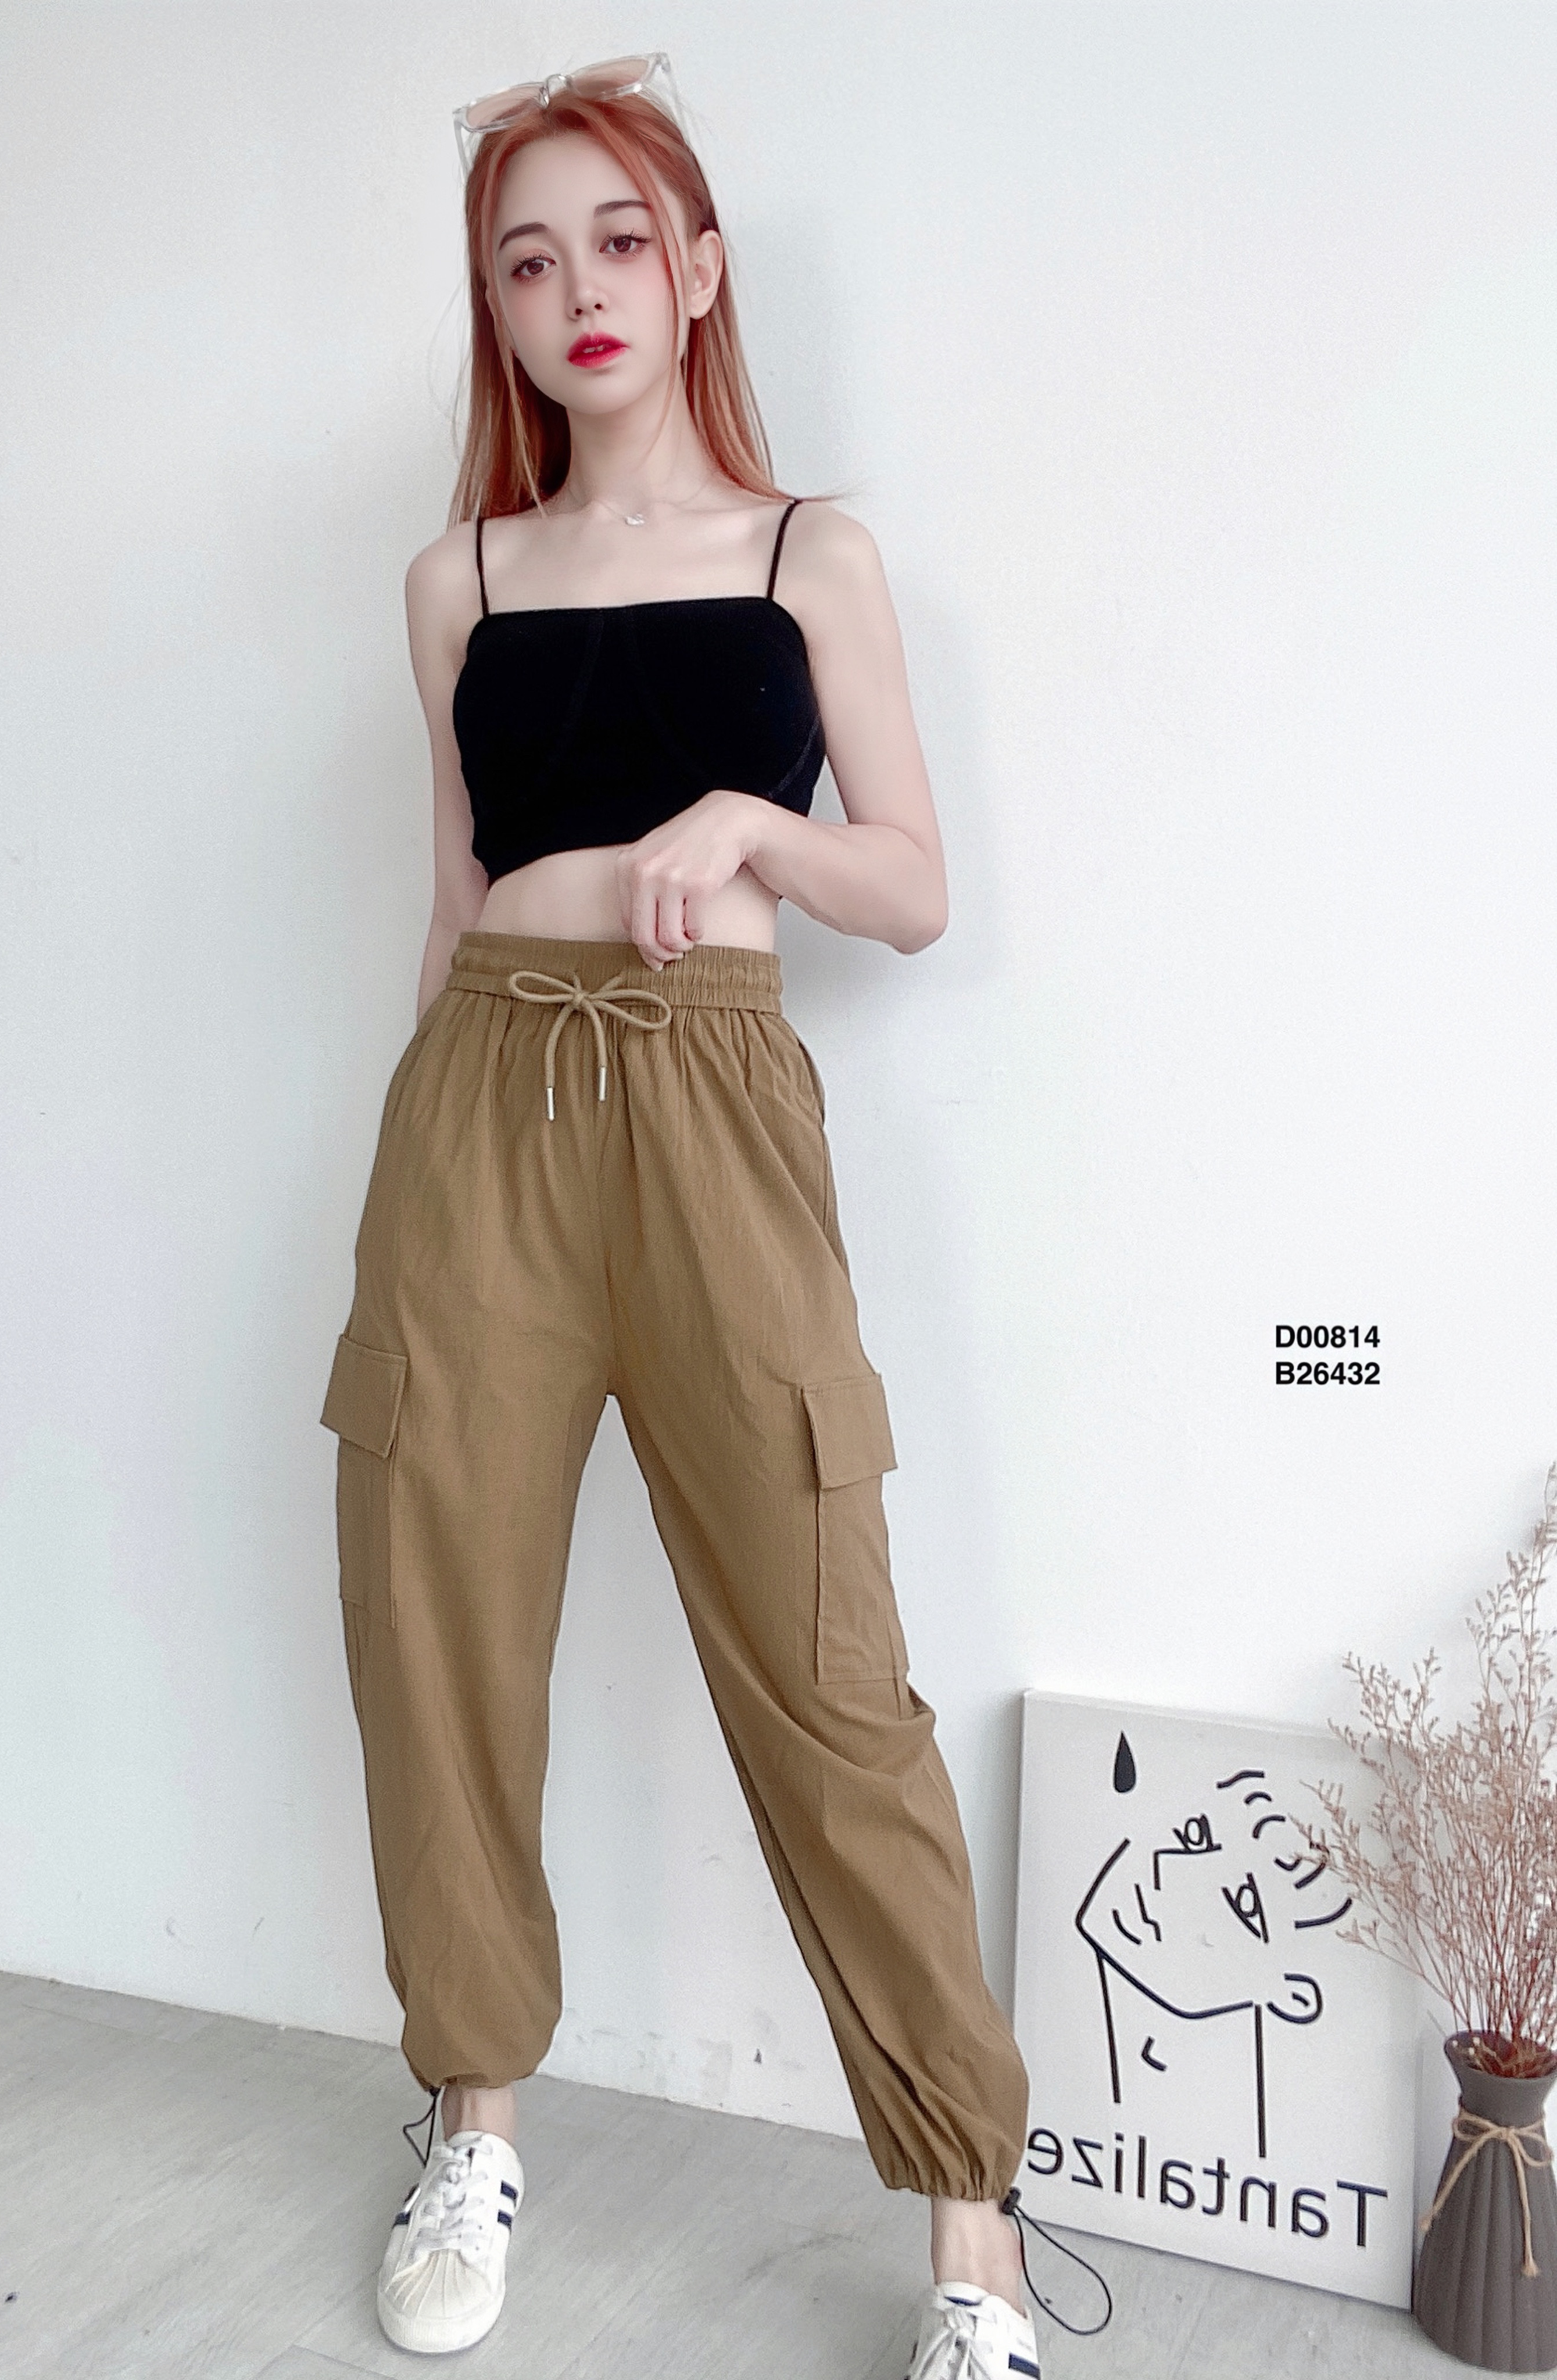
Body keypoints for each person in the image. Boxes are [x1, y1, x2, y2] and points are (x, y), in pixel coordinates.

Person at [320, 52, 1041, 2380]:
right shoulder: (457, 581)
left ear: (702, 268)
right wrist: (422, 1172)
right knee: (438, 1627)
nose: (581, 291)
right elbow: (452, 905)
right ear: (501, 311)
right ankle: (475, 2127)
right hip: (482, 1112)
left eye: (621, 240)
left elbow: (915, 884)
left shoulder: (808, 553)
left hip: (717, 1106)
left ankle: (976, 2245)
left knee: (831, 1670)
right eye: (529, 260)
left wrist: (751, 827)